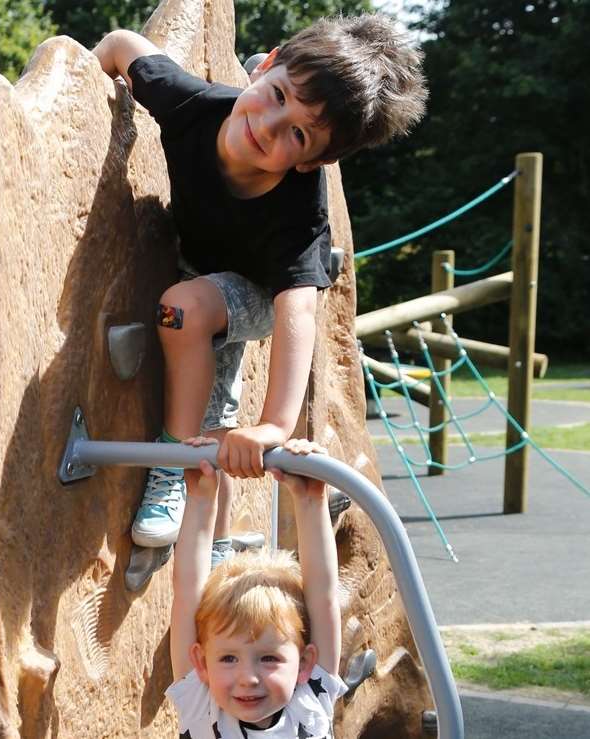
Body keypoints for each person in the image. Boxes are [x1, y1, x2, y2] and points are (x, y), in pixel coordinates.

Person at [91, 16, 427, 557]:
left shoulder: (298, 213)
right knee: (213, 398)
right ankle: (220, 542)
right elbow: (121, 45)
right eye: (276, 95)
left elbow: (298, 315)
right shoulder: (191, 104)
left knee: (183, 310)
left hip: (263, 292)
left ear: (315, 159)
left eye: (297, 134)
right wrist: (91, 82)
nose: (268, 125)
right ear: (266, 65)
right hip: (200, 265)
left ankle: (170, 465)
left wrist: (274, 425)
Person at [169, 437, 344, 737]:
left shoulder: (310, 701)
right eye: (227, 658)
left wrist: (310, 500)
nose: (248, 678)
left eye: (269, 658)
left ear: (304, 662)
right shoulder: (202, 705)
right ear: (201, 662)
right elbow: (186, 595)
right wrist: (199, 498)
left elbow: (324, 596)